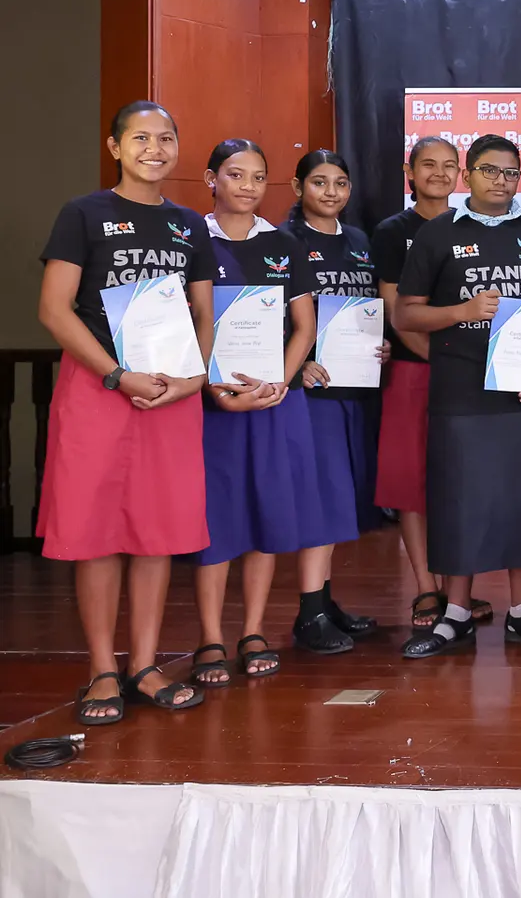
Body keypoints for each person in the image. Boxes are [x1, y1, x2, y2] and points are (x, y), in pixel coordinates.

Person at [42, 101, 216, 722]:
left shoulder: (189, 224)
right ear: (115, 147)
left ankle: (144, 664)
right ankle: (102, 670)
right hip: (99, 390)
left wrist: (194, 379)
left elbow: (203, 313)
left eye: (166, 137)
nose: (155, 147)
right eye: (141, 137)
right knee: (96, 534)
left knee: (156, 531)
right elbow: (56, 310)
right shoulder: (83, 214)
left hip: (170, 392)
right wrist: (116, 375)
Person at [395, 134, 521, 658]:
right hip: (461, 390)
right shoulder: (437, 235)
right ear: (466, 176)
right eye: (489, 171)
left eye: (509, 173)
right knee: (461, 500)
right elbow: (405, 314)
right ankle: (455, 612)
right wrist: (461, 311)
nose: (500, 181)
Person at [188, 140, 319, 679]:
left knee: (266, 514)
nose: (247, 186)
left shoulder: (283, 244)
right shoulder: (191, 239)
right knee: (217, 520)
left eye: (258, 177)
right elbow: (186, 324)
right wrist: (217, 388)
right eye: (235, 174)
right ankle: (211, 638)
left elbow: (305, 326)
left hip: (273, 401)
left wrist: (277, 384)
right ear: (210, 178)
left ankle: (253, 629)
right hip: (212, 403)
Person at [374, 136, 491, 628]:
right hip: (415, 371)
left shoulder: (476, 226)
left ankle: (457, 592)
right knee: (410, 483)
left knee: (459, 481)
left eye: (449, 166)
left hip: (466, 374)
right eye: (429, 165)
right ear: (410, 170)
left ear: (461, 175)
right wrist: (443, 360)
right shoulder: (391, 231)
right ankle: (426, 589)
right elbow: (399, 313)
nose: (439, 174)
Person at [281, 149, 381, 653]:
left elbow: (366, 310)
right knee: (319, 499)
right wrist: (293, 364)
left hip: (355, 388)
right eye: (319, 182)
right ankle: (309, 612)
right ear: (299, 188)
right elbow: (261, 316)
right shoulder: (284, 241)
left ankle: (323, 597)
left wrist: (378, 343)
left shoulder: (360, 241)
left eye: (340, 183)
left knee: (342, 498)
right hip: (310, 394)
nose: (331, 192)